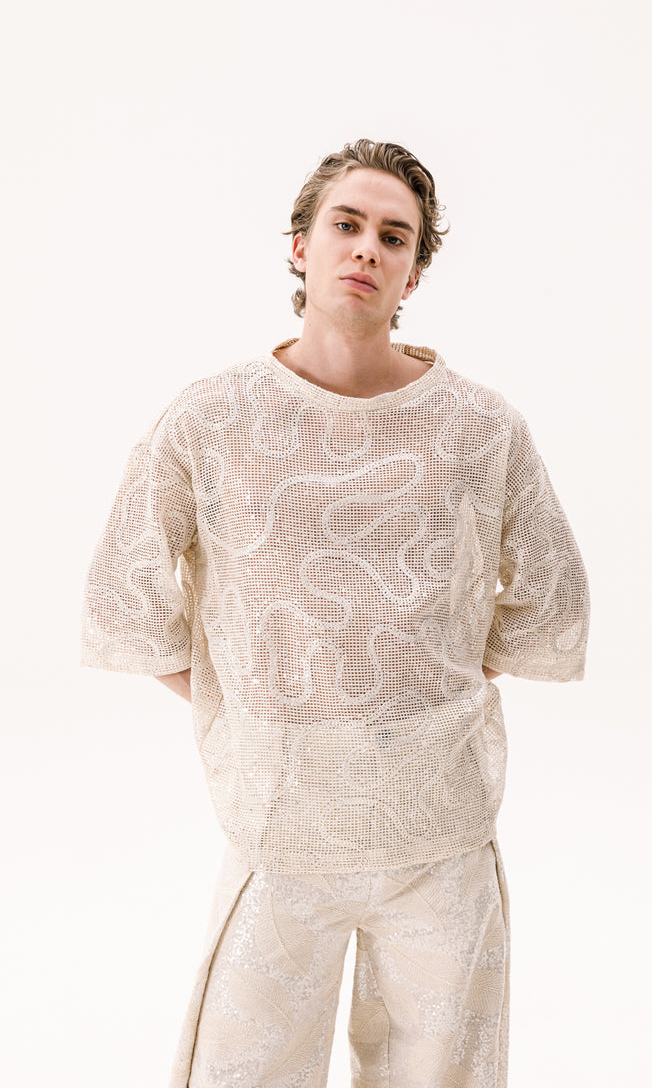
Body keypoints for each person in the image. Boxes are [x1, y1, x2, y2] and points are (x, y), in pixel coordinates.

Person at [81, 138, 590, 1088]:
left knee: (442, 1073)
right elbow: (126, 593)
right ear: (300, 246)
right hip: (279, 823)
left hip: (438, 822)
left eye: (394, 236)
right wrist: (247, 706)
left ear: (414, 272)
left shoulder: (481, 428)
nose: (366, 248)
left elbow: (550, 593)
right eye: (346, 224)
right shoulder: (213, 419)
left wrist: (432, 692)